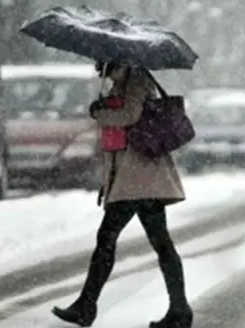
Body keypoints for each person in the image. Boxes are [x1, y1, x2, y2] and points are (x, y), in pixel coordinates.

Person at [52, 60, 193, 328]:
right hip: (136, 179)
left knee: (108, 238)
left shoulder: (137, 79)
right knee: (159, 242)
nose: (96, 67)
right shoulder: (122, 81)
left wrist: (101, 113)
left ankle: (86, 306)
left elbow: (130, 116)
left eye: (100, 62)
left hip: (140, 178)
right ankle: (179, 310)